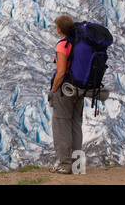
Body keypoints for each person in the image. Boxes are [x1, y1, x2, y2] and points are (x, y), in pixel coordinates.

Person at [48, 15, 84, 174]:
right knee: (75, 125)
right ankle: (77, 165)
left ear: (59, 29)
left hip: (65, 90)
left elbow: (61, 72)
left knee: (61, 126)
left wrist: (54, 89)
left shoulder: (63, 45)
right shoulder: (78, 43)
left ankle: (65, 164)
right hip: (79, 89)